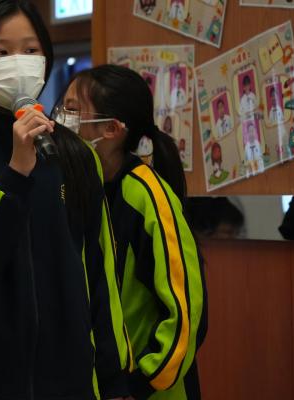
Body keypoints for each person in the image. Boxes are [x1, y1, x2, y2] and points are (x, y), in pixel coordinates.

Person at [0, 1, 130, 399]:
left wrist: (113, 376)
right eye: (1, 53)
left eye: (31, 49)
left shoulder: (76, 154)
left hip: (70, 379)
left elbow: (99, 271)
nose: (18, 62)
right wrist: (16, 172)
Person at [56, 64, 207, 399]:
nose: (61, 120)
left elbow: (187, 312)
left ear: (111, 129)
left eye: (73, 110)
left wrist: (140, 383)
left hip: (147, 390)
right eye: (62, 108)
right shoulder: (81, 186)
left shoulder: (146, 195)